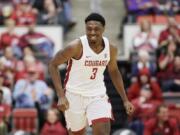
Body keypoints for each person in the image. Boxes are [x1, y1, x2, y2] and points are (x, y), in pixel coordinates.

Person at [49, 13, 135, 135]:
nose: (92, 32)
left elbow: (114, 71)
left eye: (96, 29)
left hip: (97, 94)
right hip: (74, 95)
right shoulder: (76, 46)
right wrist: (61, 96)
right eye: (89, 29)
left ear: (103, 29)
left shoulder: (111, 48)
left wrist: (125, 100)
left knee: (103, 132)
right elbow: (53, 65)